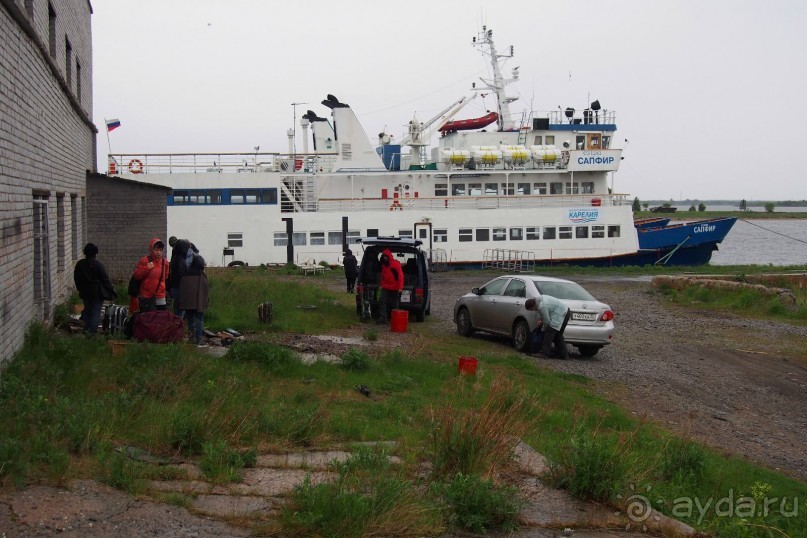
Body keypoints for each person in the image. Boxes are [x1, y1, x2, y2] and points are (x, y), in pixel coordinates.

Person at [73, 243, 117, 334]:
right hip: (97, 293)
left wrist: (80, 288)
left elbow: (76, 278)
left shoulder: (80, 264)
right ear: (95, 253)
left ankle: (86, 329)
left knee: (88, 310)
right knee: (95, 312)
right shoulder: (98, 265)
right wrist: (112, 289)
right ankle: (92, 333)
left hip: (85, 292)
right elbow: (105, 280)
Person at [178, 252, 209, 347]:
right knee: (199, 320)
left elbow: (182, 289)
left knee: (190, 320)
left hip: (187, 303)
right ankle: (199, 339)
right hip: (198, 303)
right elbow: (205, 291)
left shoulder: (185, 275)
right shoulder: (202, 276)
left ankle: (192, 338)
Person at [132, 238, 170, 313]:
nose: (158, 252)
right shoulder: (144, 260)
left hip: (160, 296)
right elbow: (137, 276)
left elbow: (165, 276)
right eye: (156, 250)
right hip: (146, 296)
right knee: (147, 319)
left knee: (160, 318)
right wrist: (147, 269)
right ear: (151, 250)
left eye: (160, 250)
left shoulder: (165, 262)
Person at [531, 294, 571, 359]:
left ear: (533, 305)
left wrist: (542, 329)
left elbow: (547, 321)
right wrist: (539, 319)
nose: (534, 310)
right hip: (566, 311)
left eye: (532, 309)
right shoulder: (540, 300)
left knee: (549, 331)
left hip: (561, 313)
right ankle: (564, 355)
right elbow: (541, 312)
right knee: (558, 335)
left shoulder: (541, 306)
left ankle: (544, 353)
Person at [167, 237, 199, 317]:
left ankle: (179, 325)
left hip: (179, 285)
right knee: (181, 309)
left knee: (179, 309)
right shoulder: (183, 253)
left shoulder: (179, 253)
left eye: (173, 245)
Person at [377, 249, 403, 323]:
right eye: (384, 256)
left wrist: (400, 287)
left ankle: (395, 319)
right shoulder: (384, 265)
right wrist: (381, 285)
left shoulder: (395, 264)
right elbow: (383, 276)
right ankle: (383, 318)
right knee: (382, 301)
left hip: (395, 287)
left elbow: (400, 276)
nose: (385, 258)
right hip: (386, 287)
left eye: (386, 256)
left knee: (394, 304)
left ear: (389, 257)